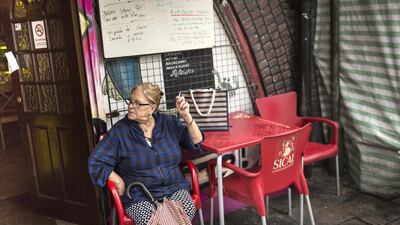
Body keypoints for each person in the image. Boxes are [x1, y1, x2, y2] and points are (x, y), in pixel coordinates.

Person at [88, 82, 203, 225]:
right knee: (159, 222)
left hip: (175, 188)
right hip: (139, 195)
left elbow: (196, 140)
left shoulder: (169, 123)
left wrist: (186, 116)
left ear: (152, 108)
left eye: (138, 103)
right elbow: (96, 161)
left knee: (183, 211)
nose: (130, 106)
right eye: (130, 101)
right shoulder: (120, 132)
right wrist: (117, 180)